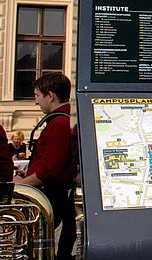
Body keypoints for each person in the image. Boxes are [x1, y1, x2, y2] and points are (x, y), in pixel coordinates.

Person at [14, 73, 76, 260]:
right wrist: (29, 172)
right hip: (54, 193)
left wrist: (20, 184)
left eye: (37, 96)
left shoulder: (60, 123)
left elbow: (50, 170)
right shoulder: (62, 120)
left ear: (50, 95)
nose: (35, 102)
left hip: (52, 196)